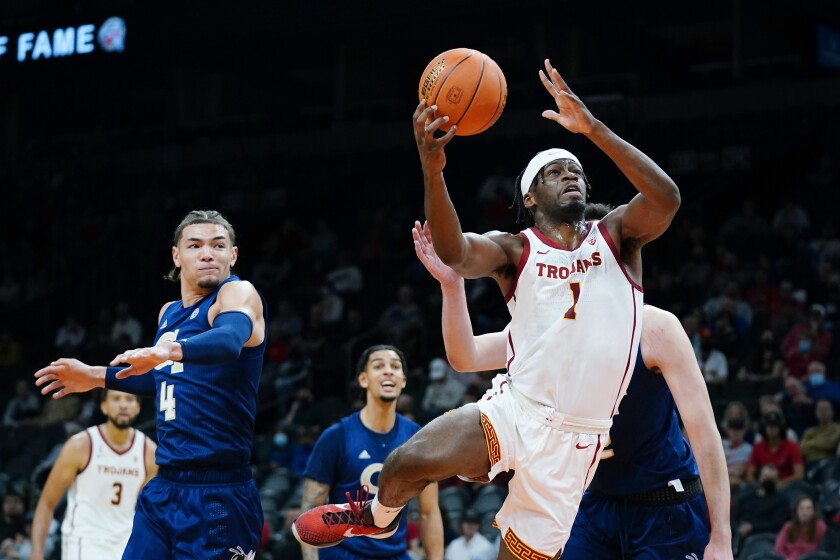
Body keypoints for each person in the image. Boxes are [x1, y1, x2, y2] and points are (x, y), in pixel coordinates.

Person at [294, 59, 682, 558]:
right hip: (517, 411)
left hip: (576, 443)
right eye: (555, 172)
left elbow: (666, 197)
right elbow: (455, 251)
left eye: (577, 171)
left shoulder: (618, 237)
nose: (571, 176)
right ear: (531, 196)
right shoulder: (515, 250)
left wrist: (593, 128)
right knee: (404, 463)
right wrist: (433, 169)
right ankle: (376, 517)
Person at [410, 220, 732, 558]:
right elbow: (465, 356)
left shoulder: (655, 328)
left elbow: (706, 435)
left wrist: (722, 535)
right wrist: (451, 286)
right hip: (592, 504)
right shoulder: (550, 330)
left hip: (664, 503)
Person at [34, 209, 268, 559]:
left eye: (219, 245)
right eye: (195, 245)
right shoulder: (169, 313)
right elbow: (166, 379)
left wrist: (165, 352)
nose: (208, 253)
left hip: (219, 492)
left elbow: (227, 341)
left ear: (232, 255)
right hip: (164, 486)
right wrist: (95, 376)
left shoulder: (237, 295)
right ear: (177, 255)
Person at [298, 345, 443, 560]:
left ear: (403, 380)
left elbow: (429, 513)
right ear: (363, 379)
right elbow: (310, 512)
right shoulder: (336, 436)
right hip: (344, 553)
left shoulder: (418, 439)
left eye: (395, 367)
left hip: (395, 554)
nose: (388, 371)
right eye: (379, 366)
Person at [30, 389, 158, 560]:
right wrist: (36, 553)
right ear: (104, 406)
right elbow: (46, 503)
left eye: (129, 399)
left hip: (125, 543)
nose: (123, 405)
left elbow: (147, 511)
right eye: (116, 399)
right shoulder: (80, 446)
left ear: (138, 407)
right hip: (85, 541)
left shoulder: (148, 452)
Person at [733, 464, 791, 549]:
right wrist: (738, 528)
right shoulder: (746, 497)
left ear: (777, 480)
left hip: (764, 537)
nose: (767, 479)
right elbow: (734, 515)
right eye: (765, 476)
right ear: (760, 478)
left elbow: (777, 523)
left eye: (771, 477)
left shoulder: (781, 500)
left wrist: (752, 527)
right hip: (739, 533)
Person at [747, 411, 805, 488]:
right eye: (769, 426)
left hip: (786, 486)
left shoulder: (792, 446)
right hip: (763, 486)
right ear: (764, 428)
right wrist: (759, 485)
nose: (772, 429)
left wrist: (780, 483)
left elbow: (799, 474)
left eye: (775, 426)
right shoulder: (758, 447)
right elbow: (749, 475)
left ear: (780, 428)